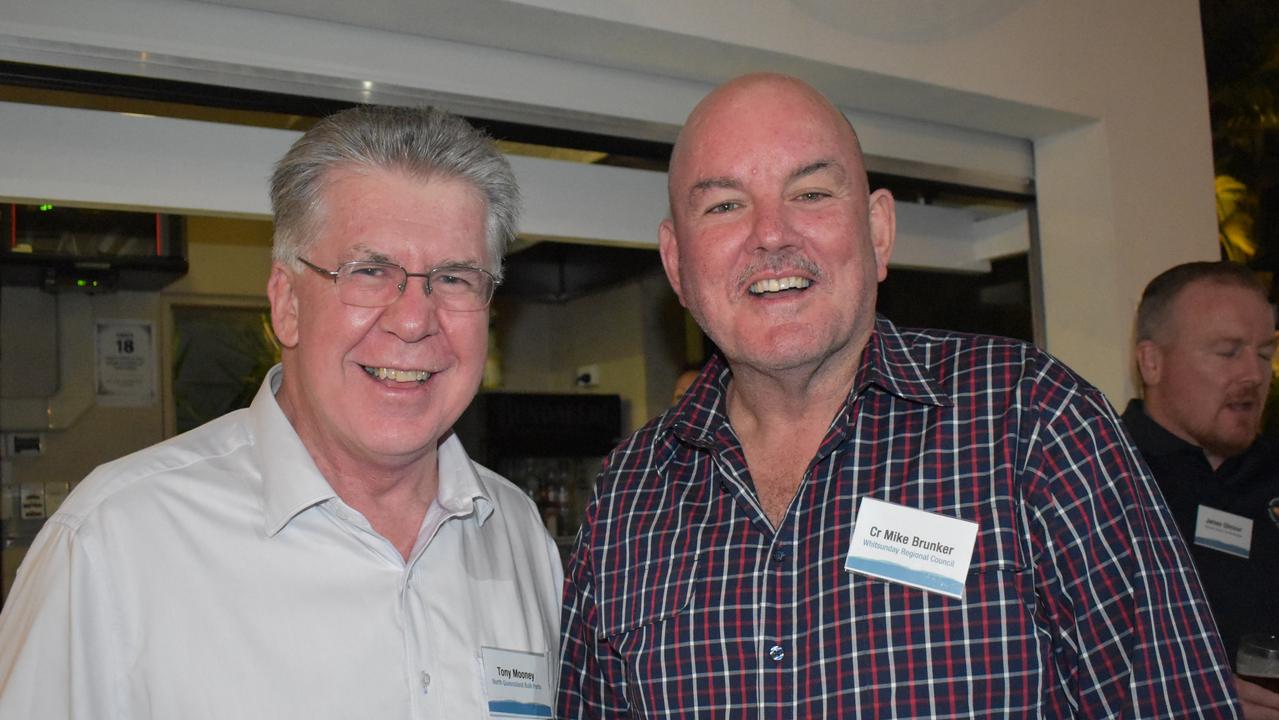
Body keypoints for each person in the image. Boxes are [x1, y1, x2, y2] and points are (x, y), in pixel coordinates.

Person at [557, 73, 1242, 718]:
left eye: (811, 194)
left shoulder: (1030, 419)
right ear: (677, 264)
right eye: (725, 205)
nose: (769, 233)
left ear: (879, 231)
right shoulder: (628, 494)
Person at [0, 105, 563, 718]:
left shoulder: (517, 534)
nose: (412, 320)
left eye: (454, 279)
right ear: (287, 303)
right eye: (370, 271)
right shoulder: (114, 542)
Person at [1122, 261, 1279, 719]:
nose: (1254, 374)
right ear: (1152, 362)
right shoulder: (1096, 479)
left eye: (1264, 352)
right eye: (1229, 352)